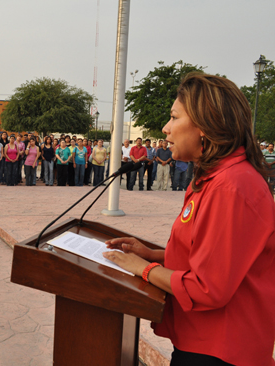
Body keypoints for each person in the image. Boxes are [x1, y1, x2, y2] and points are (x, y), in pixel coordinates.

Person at [104, 73, 275, 366]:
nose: (165, 128)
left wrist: (145, 269)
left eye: (174, 117)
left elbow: (209, 287)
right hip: (206, 341)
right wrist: (153, 254)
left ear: (205, 127)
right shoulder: (215, 178)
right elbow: (208, 258)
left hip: (222, 349)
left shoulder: (231, 187)